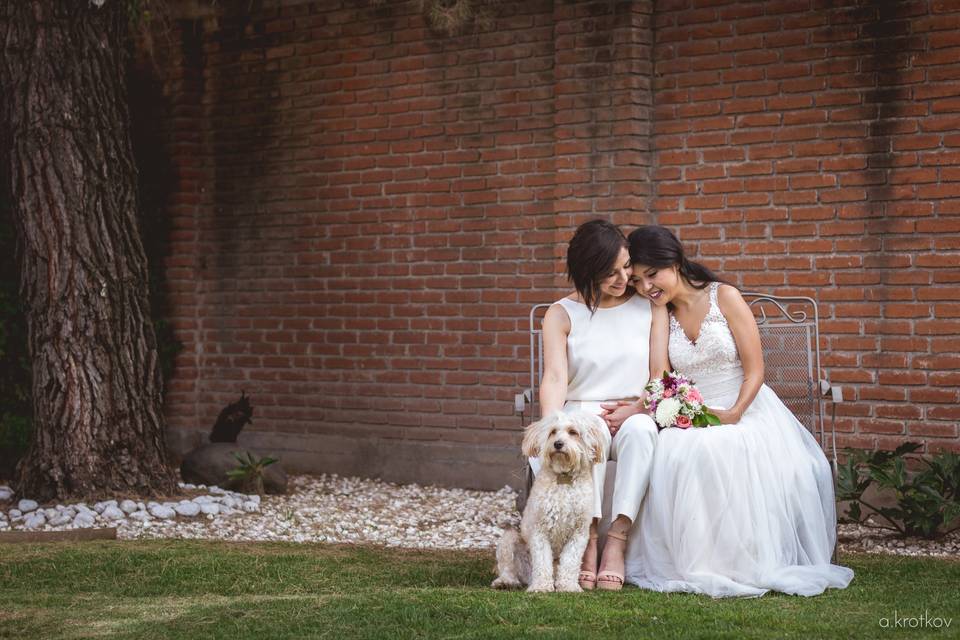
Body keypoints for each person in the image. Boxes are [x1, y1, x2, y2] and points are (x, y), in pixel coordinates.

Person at [624, 225, 854, 597]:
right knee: (678, 450)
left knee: (721, 448)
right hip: (696, 411)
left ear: (676, 261)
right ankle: (701, 562)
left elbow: (756, 370)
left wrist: (734, 413)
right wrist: (672, 408)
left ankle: (740, 560)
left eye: (652, 274)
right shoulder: (660, 312)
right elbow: (660, 375)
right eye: (637, 280)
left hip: (746, 405)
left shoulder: (724, 297)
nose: (647, 286)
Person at [536, 219, 668, 591]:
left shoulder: (649, 305)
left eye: (626, 266)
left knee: (642, 435)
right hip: (583, 408)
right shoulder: (561, 313)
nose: (623, 278)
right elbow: (556, 377)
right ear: (586, 272)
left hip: (637, 407)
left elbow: (659, 371)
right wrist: (553, 427)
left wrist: (638, 408)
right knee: (584, 437)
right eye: (609, 273)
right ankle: (589, 538)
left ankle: (617, 539)